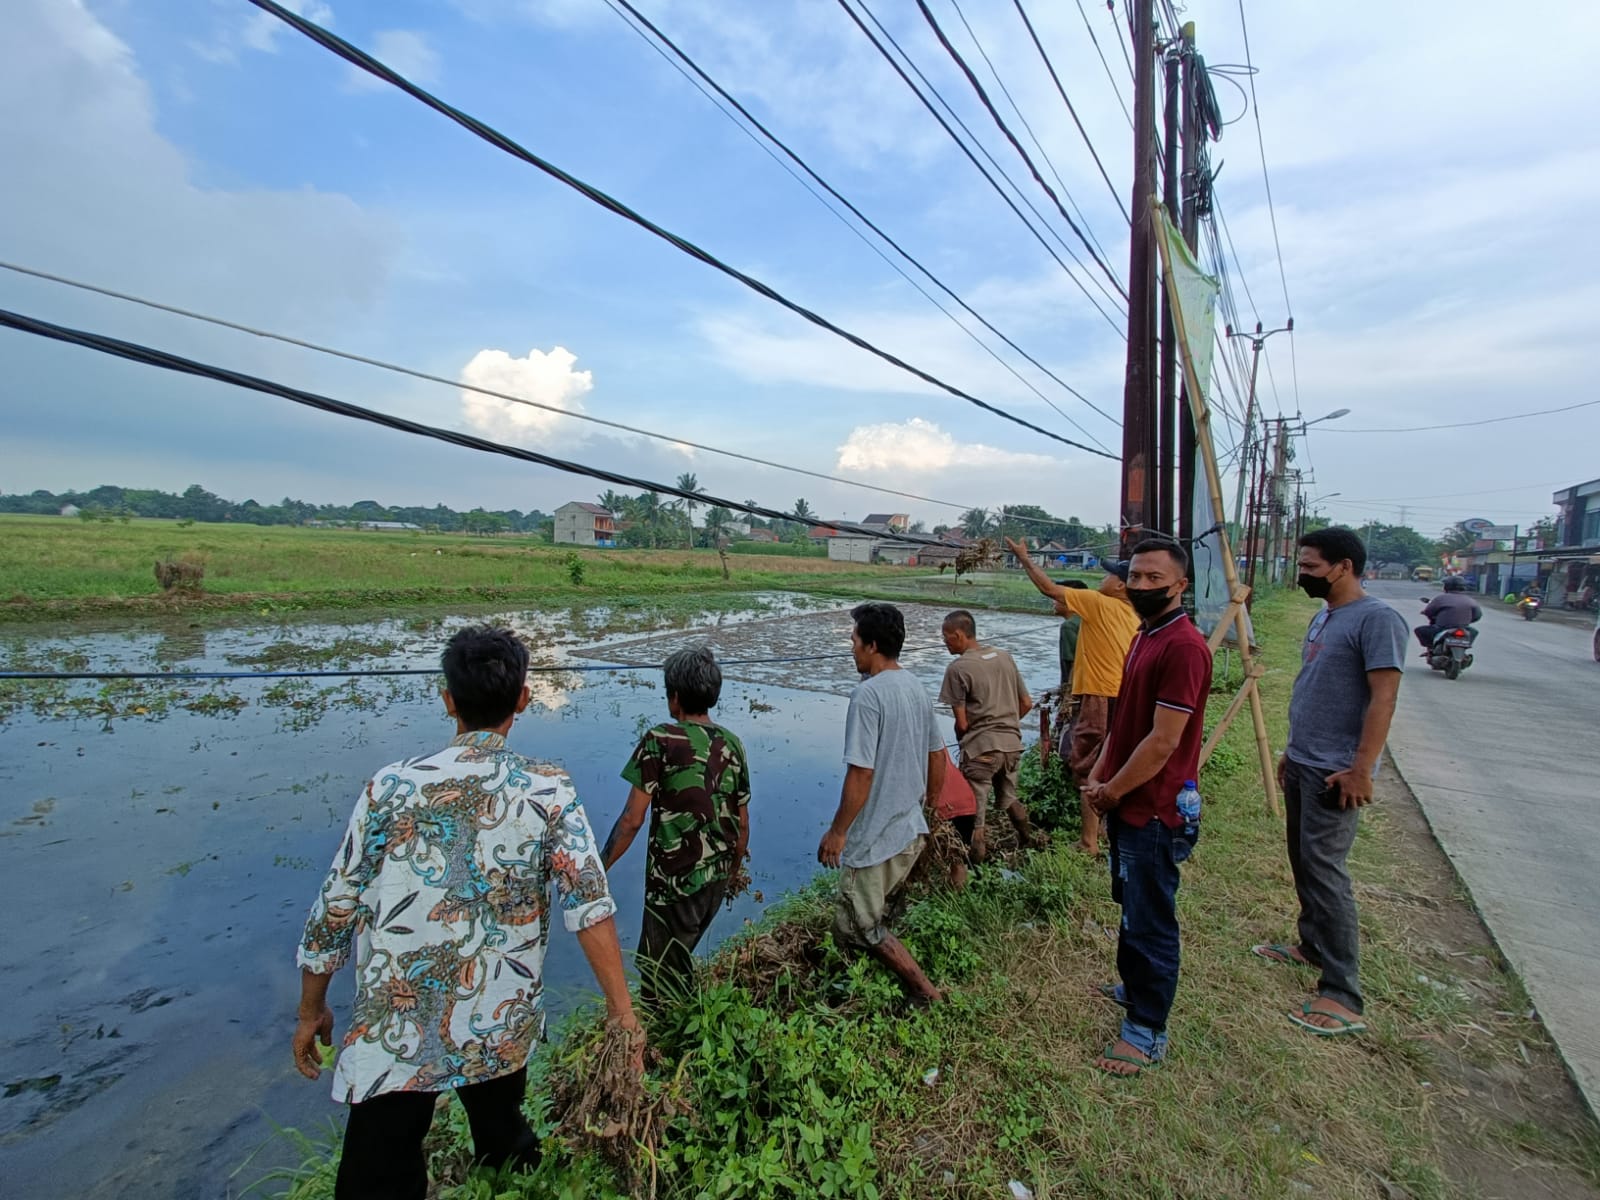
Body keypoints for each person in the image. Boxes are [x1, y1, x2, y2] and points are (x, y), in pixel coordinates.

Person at [292, 626, 640, 1200]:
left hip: (397, 1028)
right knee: (504, 1140)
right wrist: (622, 1012)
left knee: (378, 1174)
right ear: (524, 699)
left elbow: (335, 907)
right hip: (497, 1020)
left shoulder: (390, 787)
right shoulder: (548, 789)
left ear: (447, 699)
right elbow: (589, 903)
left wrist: (310, 1010)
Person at [1253, 527, 1408, 1038]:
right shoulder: (1326, 616)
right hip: (1304, 759)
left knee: (1326, 871)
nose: (1302, 575)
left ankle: (1343, 993)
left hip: (1336, 770)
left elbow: (1382, 699)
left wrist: (1361, 768)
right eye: (1302, 565)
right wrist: (1290, 752)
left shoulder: (1378, 619)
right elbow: (1315, 689)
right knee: (1303, 859)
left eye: (1311, 567)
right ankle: (1311, 944)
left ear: (1343, 566)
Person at [1080, 539, 1213, 1076]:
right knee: (1131, 905)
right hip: (1129, 802)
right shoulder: (1144, 635)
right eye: (1134, 576)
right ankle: (1135, 987)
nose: (1139, 586)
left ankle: (1146, 1030)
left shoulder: (1184, 647)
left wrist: (1112, 792)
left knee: (1150, 919)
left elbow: (1161, 742)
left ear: (1180, 585)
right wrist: (1097, 771)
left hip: (1155, 809)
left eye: (1153, 579)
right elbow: (1126, 722)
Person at [602, 646, 751, 1007]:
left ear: (674, 698)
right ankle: (688, 1020)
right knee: (678, 959)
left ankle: (674, 1041)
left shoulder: (660, 740)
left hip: (674, 887)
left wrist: (598, 867)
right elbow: (742, 823)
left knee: (657, 979)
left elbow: (631, 820)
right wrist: (731, 873)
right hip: (714, 880)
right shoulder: (732, 744)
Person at [819, 602, 947, 1004]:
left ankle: (924, 991)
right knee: (872, 916)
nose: (852, 649)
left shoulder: (868, 696)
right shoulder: (914, 687)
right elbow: (938, 757)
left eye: (855, 641)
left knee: (860, 925)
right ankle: (858, 989)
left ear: (872, 645)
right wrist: (928, 808)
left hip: (876, 838)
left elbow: (861, 774)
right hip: (909, 828)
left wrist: (838, 832)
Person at [1004, 537, 1140, 856]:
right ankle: (1107, 830)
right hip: (1124, 696)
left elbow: (1050, 589)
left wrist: (1024, 558)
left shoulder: (1100, 603)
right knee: (1113, 763)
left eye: (1108, 575)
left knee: (1087, 766)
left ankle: (1088, 842)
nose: (1101, 579)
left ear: (1121, 585)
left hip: (1100, 695)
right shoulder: (1132, 615)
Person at [937, 609, 1037, 862]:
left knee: (975, 818)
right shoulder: (1004, 657)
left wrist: (969, 739)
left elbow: (961, 723)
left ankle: (976, 872)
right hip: (1012, 746)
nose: (944, 642)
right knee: (1009, 798)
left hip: (981, 750)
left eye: (946, 637)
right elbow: (1026, 703)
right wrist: (1005, 726)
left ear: (959, 635)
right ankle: (1028, 841)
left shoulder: (957, 668)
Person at [1414, 575, 1482, 652]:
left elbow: (1429, 611)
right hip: (1463, 628)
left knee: (1419, 630)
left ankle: (1432, 648)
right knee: (1474, 631)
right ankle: (1465, 647)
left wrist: (1425, 612)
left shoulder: (1441, 598)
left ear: (1446, 587)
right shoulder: (1470, 600)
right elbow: (1477, 616)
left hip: (1442, 628)